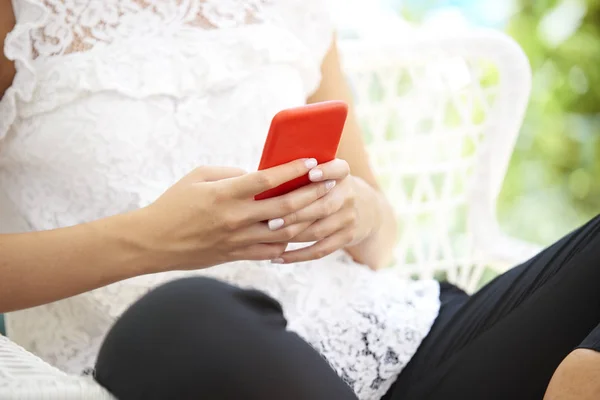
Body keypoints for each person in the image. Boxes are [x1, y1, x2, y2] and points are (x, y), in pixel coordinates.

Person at [0, 1, 599, 399]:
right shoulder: (20, 17)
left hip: (404, 341)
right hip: (187, 354)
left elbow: (381, 241)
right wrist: (158, 240)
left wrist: (356, 210)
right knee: (186, 312)